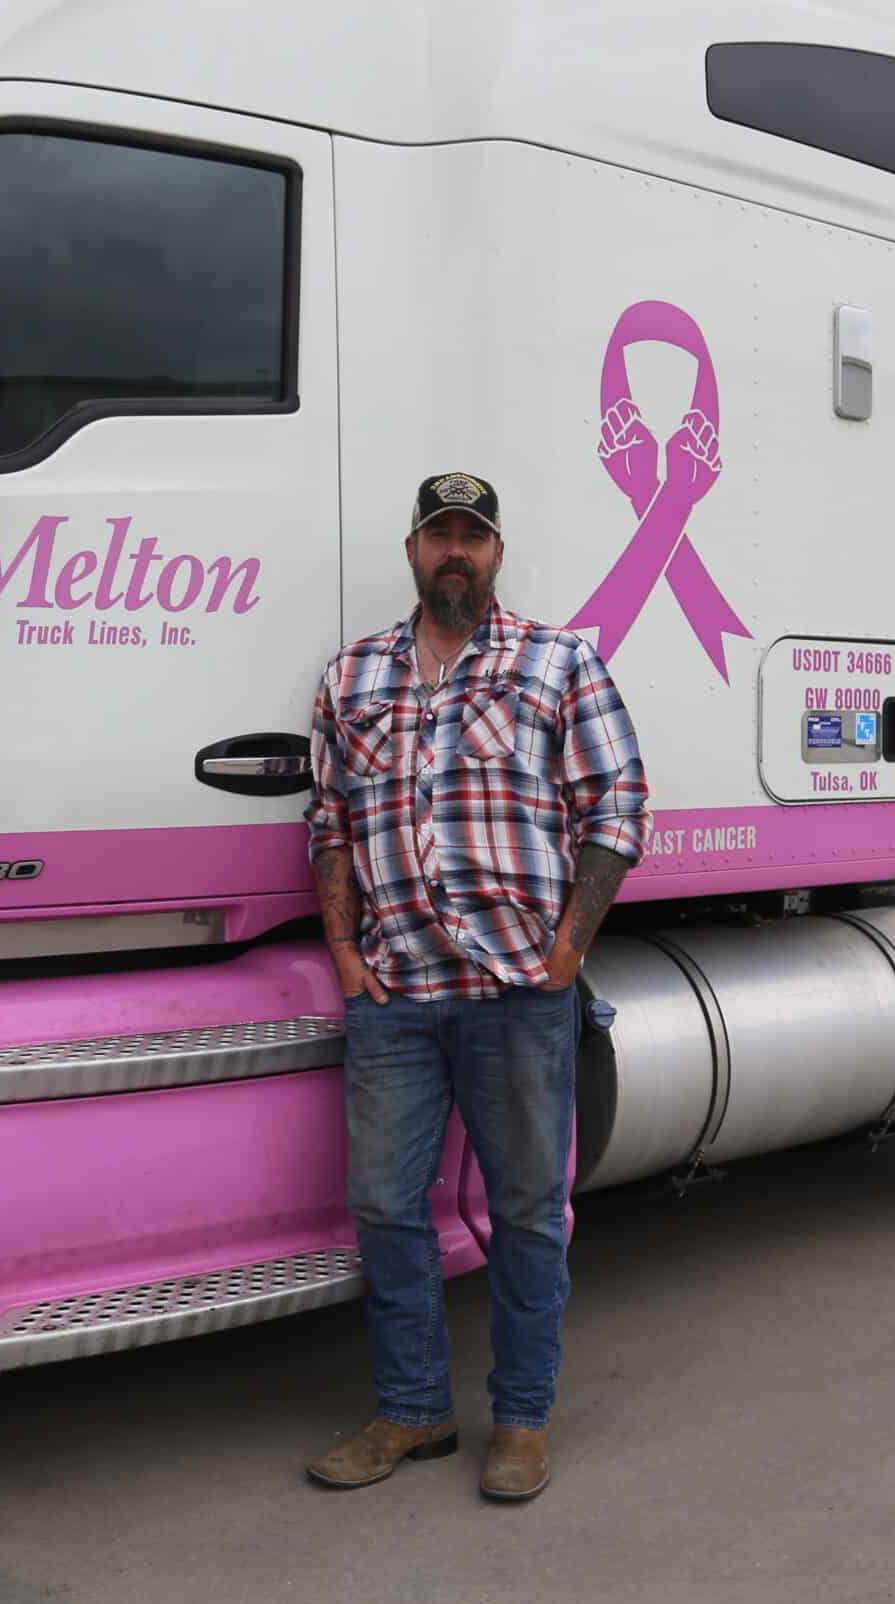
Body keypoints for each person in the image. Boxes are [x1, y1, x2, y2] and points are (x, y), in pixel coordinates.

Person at [302, 471, 649, 1502]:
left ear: (498, 554)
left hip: (517, 996)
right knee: (381, 1203)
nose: (456, 552)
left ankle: (522, 1421)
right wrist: (345, 957)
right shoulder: (353, 676)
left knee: (528, 1213)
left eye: (474, 537)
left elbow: (617, 809)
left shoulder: (558, 662)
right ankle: (412, 1410)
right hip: (397, 997)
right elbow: (328, 822)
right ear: (412, 550)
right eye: (438, 535)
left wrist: (567, 955)